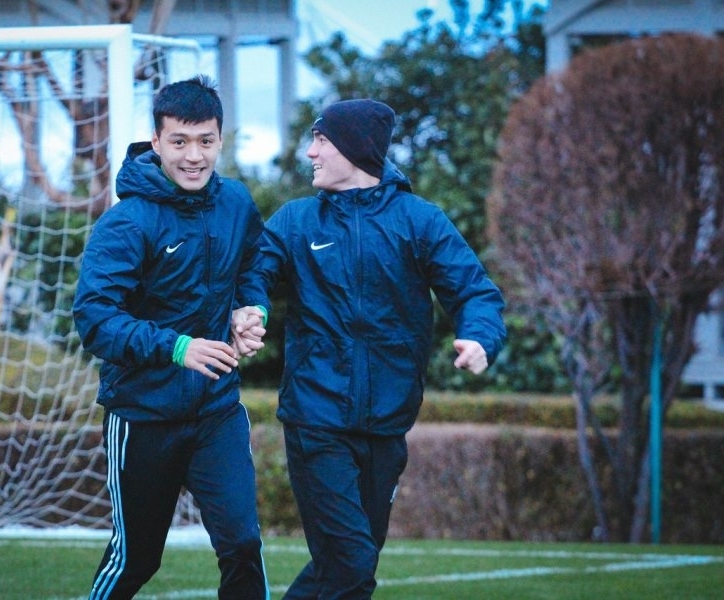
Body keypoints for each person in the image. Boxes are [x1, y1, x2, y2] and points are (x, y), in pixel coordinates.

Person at [233, 99, 507, 599]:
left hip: (387, 424)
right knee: (351, 565)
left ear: (354, 148)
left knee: (344, 565)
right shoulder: (296, 221)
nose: (310, 151)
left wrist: (480, 336)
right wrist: (251, 309)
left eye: (321, 140)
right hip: (316, 421)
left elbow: (475, 293)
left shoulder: (420, 221)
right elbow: (255, 272)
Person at [73, 75, 270, 600]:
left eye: (205, 141)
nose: (193, 156)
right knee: (136, 559)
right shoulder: (127, 223)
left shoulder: (236, 203)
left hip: (216, 410)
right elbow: (94, 317)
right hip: (143, 416)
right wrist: (178, 347)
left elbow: (254, 262)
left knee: (243, 545)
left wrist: (251, 309)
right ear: (156, 141)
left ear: (220, 140)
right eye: (179, 141)